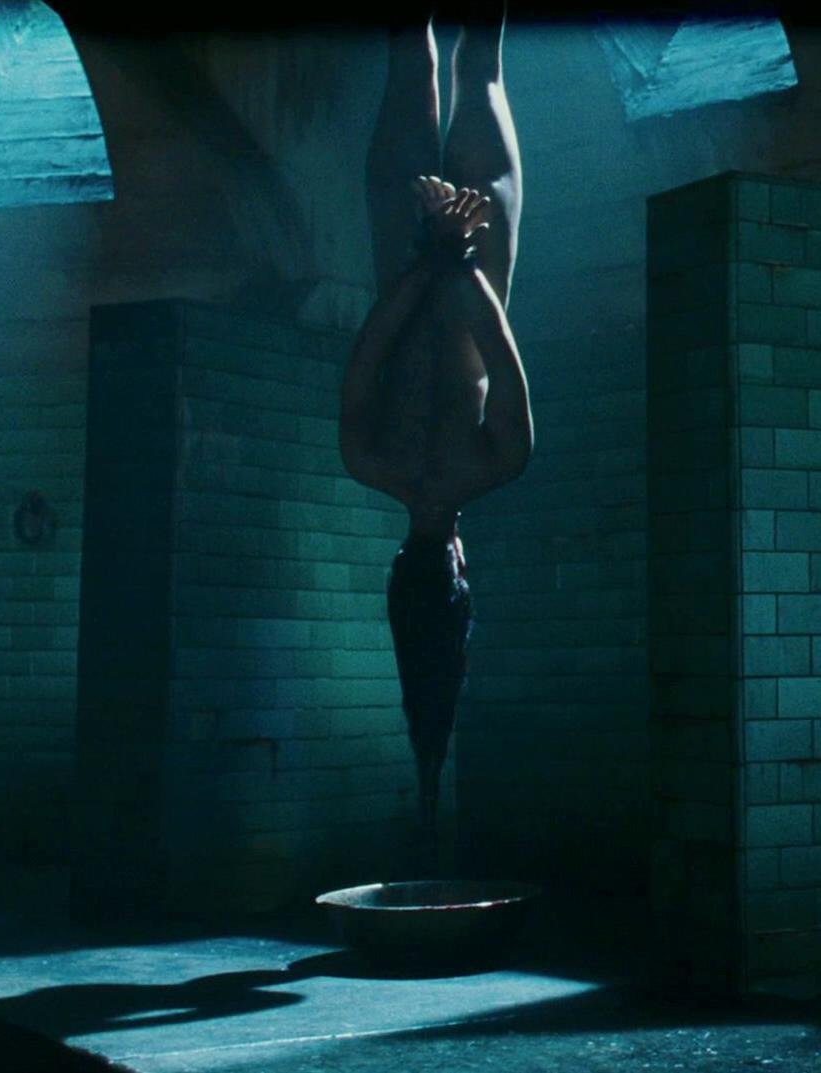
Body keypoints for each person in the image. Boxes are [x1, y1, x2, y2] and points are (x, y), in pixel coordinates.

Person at [339, 4, 532, 835]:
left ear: (460, 570)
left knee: (467, 61)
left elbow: (485, 347)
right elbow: (379, 349)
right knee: (426, 57)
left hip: (442, 258)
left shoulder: (492, 462)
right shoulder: (375, 459)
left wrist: (444, 257)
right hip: (432, 257)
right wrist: (443, 256)